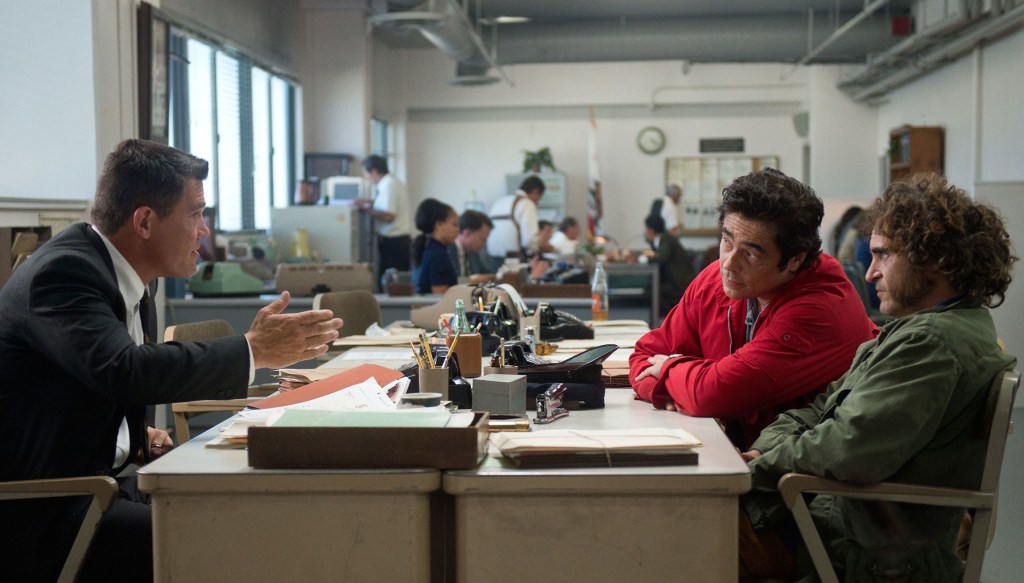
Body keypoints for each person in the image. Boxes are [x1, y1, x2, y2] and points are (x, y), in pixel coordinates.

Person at [0, 139, 343, 583]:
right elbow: (126, 371)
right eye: (195, 214)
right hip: (47, 515)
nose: (205, 231)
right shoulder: (63, 273)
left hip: (105, 485)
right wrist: (253, 350)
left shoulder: (133, 277)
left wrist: (132, 434)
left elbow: (87, 378)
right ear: (144, 221)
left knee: (254, 511)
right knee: (239, 540)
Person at [739, 174, 1017, 581]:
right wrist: (764, 452)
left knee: (682, 523)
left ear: (934, 258)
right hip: (847, 526)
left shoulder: (932, 342)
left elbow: (847, 447)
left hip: (851, 545)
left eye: (883, 255)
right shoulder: (923, 331)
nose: (870, 274)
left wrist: (756, 469)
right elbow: (820, 409)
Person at [629, 168, 877, 450]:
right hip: (738, 451)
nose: (728, 264)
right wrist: (668, 391)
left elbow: (712, 394)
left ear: (795, 259)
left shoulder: (820, 308)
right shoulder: (717, 280)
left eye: (750, 253)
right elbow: (644, 355)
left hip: (800, 468)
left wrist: (669, 371)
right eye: (727, 241)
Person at [356, 155, 412, 286]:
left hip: (395, 242)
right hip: (393, 241)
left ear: (374, 171)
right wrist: (366, 203)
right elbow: (381, 205)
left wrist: (365, 209)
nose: (366, 177)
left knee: (393, 283)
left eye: (366, 173)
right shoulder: (389, 184)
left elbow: (388, 216)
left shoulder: (389, 185)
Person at [642, 214, 695, 317]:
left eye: (646, 229)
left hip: (680, 284)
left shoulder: (666, 240)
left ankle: (670, 318)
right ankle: (666, 318)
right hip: (676, 281)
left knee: (652, 290)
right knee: (651, 288)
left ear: (651, 230)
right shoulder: (662, 239)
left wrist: (643, 259)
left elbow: (662, 258)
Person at [486, 175, 545, 266]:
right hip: (514, 260)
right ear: (535, 191)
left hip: (492, 257)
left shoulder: (500, 202)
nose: (537, 202)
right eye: (539, 197)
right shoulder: (527, 204)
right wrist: (537, 250)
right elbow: (529, 240)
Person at [412, 198, 459, 294]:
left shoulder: (432, 248)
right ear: (439, 225)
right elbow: (440, 294)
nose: (458, 230)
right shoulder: (437, 255)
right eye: (454, 225)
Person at [448, 210, 494, 278]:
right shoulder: (447, 251)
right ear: (467, 234)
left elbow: (484, 274)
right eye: (483, 239)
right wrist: (471, 280)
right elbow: (449, 281)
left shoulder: (473, 252)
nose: (485, 244)